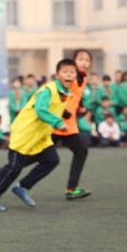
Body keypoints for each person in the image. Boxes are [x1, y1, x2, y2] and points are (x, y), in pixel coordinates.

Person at [0, 59, 76, 212]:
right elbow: (41, 109)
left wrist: (65, 113)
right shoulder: (48, 90)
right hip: (25, 133)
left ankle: (23, 186)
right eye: (65, 71)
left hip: (40, 136)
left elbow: (53, 107)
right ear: (57, 74)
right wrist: (59, 123)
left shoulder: (64, 93)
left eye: (72, 72)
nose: (68, 75)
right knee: (14, 167)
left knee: (51, 160)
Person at [51, 49, 93, 200]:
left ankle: (72, 188)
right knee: (41, 155)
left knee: (81, 151)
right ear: (74, 61)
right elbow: (55, 97)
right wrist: (64, 113)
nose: (84, 62)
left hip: (68, 125)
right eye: (81, 59)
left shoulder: (83, 78)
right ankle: (9, 170)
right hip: (57, 123)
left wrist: (81, 106)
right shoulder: (69, 78)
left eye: (87, 60)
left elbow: (76, 95)